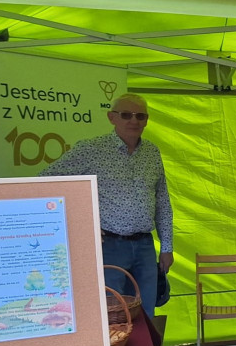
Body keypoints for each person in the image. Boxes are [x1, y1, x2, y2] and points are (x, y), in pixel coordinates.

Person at [41, 93, 172, 316]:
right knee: (113, 311)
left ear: (147, 120)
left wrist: (167, 247)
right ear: (112, 117)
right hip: (109, 246)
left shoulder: (152, 152)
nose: (134, 120)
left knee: (146, 311)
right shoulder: (92, 149)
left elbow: (162, 201)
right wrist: (84, 222)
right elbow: (47, 180)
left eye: (140, 116)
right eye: (126, 115)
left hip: (145, 247)